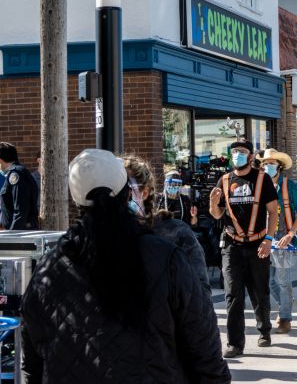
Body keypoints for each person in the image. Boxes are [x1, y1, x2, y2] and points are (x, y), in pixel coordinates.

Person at [21, 149, 230, 383]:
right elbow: (203, 343)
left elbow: (33, 361)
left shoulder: (50, 266)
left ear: (76, 199)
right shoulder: (165, 257)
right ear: (126, 194)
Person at [209, 138, 279, 359]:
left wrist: (269, 239)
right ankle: (234, 343)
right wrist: (212, 203)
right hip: (232, 244)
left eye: (241, 151)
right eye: (233, 152)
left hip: (258, 243)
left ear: (250, 157)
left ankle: (264, 330)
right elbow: (218, 214)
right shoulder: (224, 180)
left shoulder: (262, 179)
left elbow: (274, 212)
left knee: (259, 292)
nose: (236, 155)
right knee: (233, 295)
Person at [124, 155, 211, 297]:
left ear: (145, 193)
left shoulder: (179, 225)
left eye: (127, 190)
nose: (173, 187)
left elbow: (201, 296)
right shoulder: (99, 235)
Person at [261, 148, 297, 335]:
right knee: (267, 281)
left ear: (279, 167)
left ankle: (285, 318)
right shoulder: (260, 187)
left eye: (271, 164)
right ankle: (285, 303)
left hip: (283, 242)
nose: (267, 167)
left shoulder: (289, 186)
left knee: (282, 281)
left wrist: (291, 233)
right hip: (265, 241)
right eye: (265, 164)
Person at [0, 142, 39, 230]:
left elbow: (21, 210)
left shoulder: (15, 175)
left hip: (21, 234)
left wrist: (12, 235)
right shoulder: (16, 172)